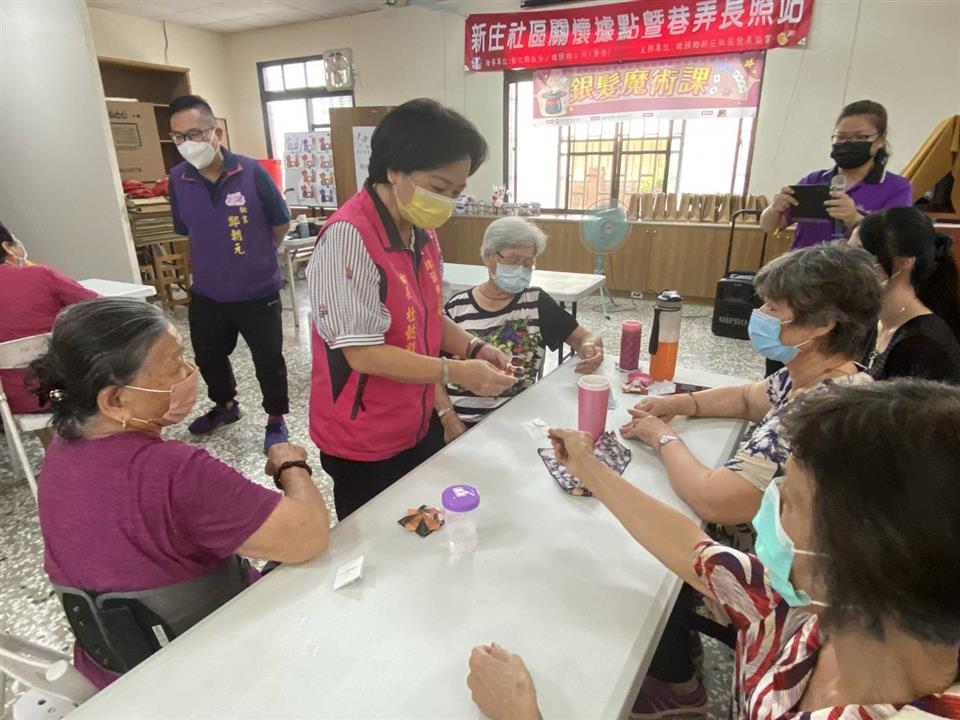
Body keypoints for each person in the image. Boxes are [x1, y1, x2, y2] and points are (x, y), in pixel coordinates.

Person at [469, 381, 960, 720]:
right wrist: (590, 468)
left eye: (787, 499)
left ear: (861, 553)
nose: (769, 506)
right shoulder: (814, 613)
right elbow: (695, 551)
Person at [619, 244, 881, 714]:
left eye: (773, 309)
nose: (759, 315)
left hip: (797, 583)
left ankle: (678, 687)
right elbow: (747, 396)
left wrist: (660, 436)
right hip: (806, 561)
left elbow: (716, 501)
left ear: (822, 324)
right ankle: (681, 644)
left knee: (647, 547)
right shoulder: (817, 375)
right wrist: (682, 403)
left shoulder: (819, 408)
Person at [29, 298, 329, 689]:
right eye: (174, 364)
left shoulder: (59, 454)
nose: (190, 373)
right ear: (115, 400)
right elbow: (308, 535)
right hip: (212, 668)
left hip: (114, 675)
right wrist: (292, 465)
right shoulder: (173, 471)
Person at [306, 99, 516, 520]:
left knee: (422, 527)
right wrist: (456, 372)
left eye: (456, 192)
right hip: (363, 436)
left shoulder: (421, 233)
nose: (447, 202)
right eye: (438, 189)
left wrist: (474, 349)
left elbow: (428, 316)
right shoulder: (348, 238)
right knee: (379, 541)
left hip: (415, 419)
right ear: (393, 169)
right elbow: (362, 353)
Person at [167, 95, 292, 453]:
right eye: (178, 137)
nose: (187, 143)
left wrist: (258, 254)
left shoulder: (251, 172)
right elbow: (186, 228)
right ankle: (225, 406)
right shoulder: (178, 178)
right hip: (208, 290)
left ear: (215, 131)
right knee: (208, 355)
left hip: (257, 291)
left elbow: (280, 222)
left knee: (268, 359)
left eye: (194, 133)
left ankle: (276, 418)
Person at [435, 217, 603, 442]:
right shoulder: (456, 308)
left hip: (518, 421)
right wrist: (448, 418)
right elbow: (432, 372)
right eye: (513, 260)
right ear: (488, 256)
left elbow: (585, 337)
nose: (520, 269)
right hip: (464, 423)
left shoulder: (536, 302)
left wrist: (590, 345)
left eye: (527, 263)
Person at [760, 100, 912, 250]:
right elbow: (770, 228)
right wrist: (775, 208)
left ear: (880, 140)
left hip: (858, 271)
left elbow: (894, 242)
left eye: (860, 137)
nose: (849, 143)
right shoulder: (814, 180)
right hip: (803, 270)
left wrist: (855, 219)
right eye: (841, 137)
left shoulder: (896, 187)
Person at [0, 222, 96, 436]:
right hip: (72, 388)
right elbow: (99, 307)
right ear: (7, 247)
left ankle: (56, 454)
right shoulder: (40, 275)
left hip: (14, 399)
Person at [852, 207, 960, 383]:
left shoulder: (922, 343)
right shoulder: (874, 322)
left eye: (860, 257)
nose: (848, 267)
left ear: (904, 262)